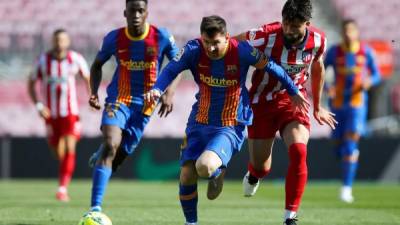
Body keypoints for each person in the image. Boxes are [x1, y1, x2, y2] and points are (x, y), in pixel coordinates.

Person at [144, 15, 308, 225]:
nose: (211, 48)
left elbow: (273, 68)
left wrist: (293, 91)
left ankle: (217, 172)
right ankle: (191, 222)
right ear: (201, 38)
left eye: (216, 43)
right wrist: (157, 89)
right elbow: (171, 69)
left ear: (227, 38)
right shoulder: (193, 50)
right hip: (199, 120)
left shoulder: (241, 50)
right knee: (186, 175)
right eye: (207, 42)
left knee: (203, 166)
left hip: (229, 123)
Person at [235, 0, 337, 224]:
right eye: (286, 23)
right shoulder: (264, 35)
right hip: (261, 102)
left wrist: (318, 106)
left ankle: (290, 216)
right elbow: (232, 44)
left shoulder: (319, 40)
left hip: (294, 101)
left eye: (295, 25)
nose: (289, 29)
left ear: (307, 23)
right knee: (262, 167)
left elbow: (318, 66)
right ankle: (254, 174)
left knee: (299, 151)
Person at [87, 0, 181, 213]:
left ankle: (104, 152)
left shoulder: (161, 36)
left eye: (140, 11)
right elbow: (97, 65)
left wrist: (169, 92)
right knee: (111, 145)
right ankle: (95, 209)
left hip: (146, 104)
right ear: (125, 13)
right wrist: (93, 93)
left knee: (119, 157)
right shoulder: (114, 38)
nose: (136, 15)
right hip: (118, 99)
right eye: (132, 10)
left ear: (147, 13)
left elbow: (177, 64)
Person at [27, 28, 90, 202]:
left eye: (62, 40)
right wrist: (39, 105)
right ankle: (65, 172)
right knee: (58, 151)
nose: (59, 43)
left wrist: (92, 97)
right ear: (52, 42)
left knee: (70, 146)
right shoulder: (42, 61)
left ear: (67, 42)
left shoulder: (75, 59)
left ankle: (62, 188)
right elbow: (31, 84)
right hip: (50, 114)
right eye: (56, 40)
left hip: (70, 113)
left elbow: (88, 78)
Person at [324, 19, 380, 203]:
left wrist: (370, 81)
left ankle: (346, 189)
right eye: (345, 30)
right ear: (341, 32)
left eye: (351, 30)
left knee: (350, 145)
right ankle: (345, 154)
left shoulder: (366, 51)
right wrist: (326, 87)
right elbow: (320, 70)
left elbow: (376, 73)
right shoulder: (334, 51)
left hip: (357, 104)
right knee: (338, 145)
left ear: (356, 32)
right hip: (337, 104)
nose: (348, 34)